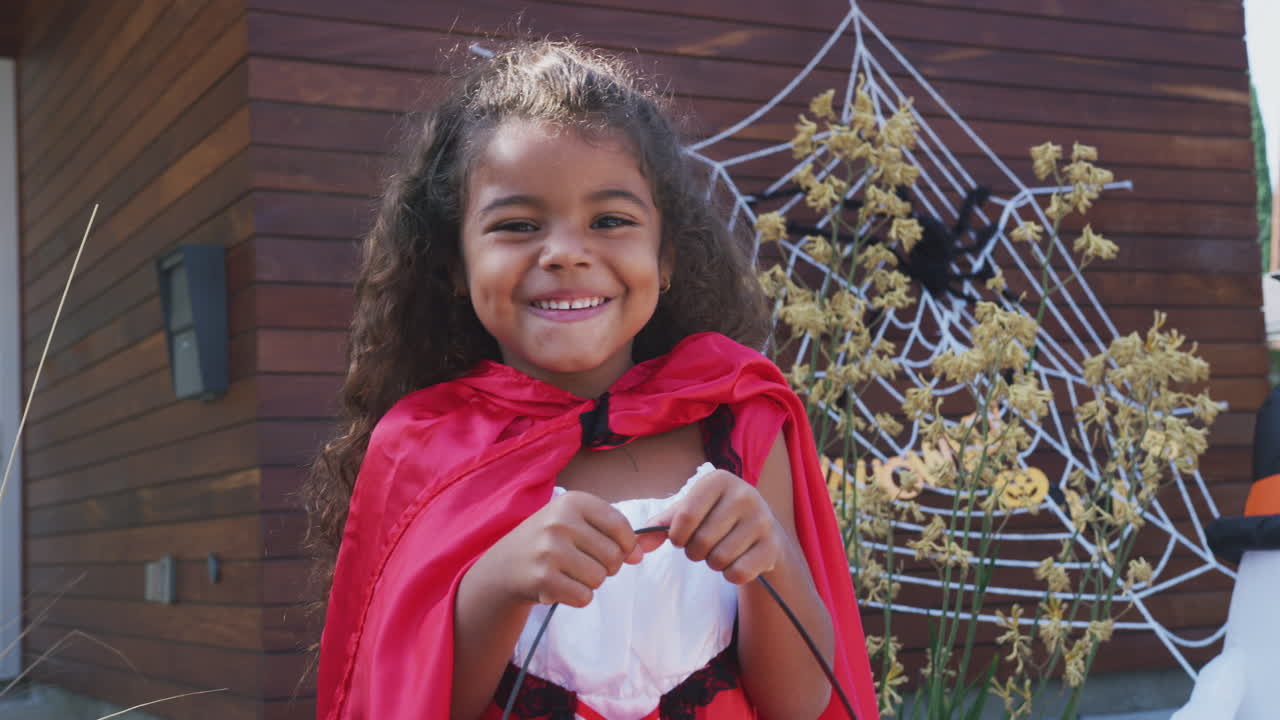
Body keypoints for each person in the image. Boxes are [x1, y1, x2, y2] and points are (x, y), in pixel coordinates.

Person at [307, 40, 880, 720]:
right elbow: (402, 701)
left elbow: (798, 704)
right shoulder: (422, 447)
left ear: (665, 259)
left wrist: (772, 558)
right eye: (517, 225)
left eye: (611, 221)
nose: (568, 253)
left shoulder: (742, 416)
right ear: (455, 270)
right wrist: (499, 583)